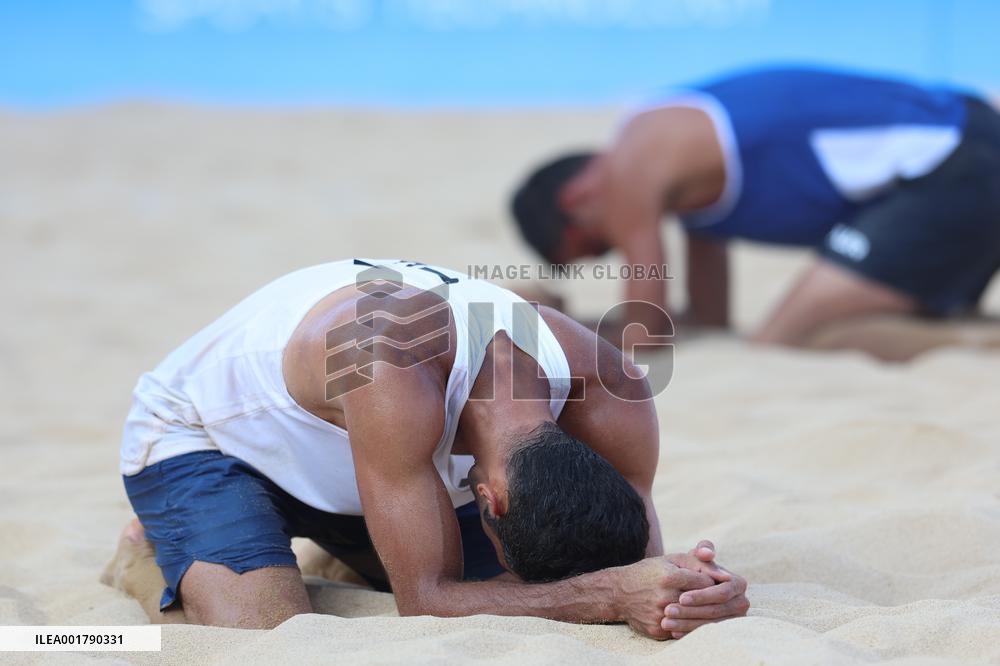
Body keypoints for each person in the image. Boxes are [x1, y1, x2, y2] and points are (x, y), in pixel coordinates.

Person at [103, 258, 749, 639]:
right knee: (266, 634)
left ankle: (348, 548)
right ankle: (150, 554)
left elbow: (633, 551)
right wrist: (612, 596)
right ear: (486, 499)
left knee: (525, 586)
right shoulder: (390, 365)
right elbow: (426, 601)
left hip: (362, 455)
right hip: (203, 436)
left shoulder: (614, 388)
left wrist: (693, 585)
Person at [511, 66, 1000, 359]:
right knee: (826, 329)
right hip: (958, 157)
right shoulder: (687, 180)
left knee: (783, 340)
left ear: (575, 199)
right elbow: (709, 320)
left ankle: (977, 349)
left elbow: (646, 338)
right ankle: (969, 334)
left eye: (597, 245)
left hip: (952, 162)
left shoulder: (632, 157)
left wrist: (556, 331)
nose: (618, 242)